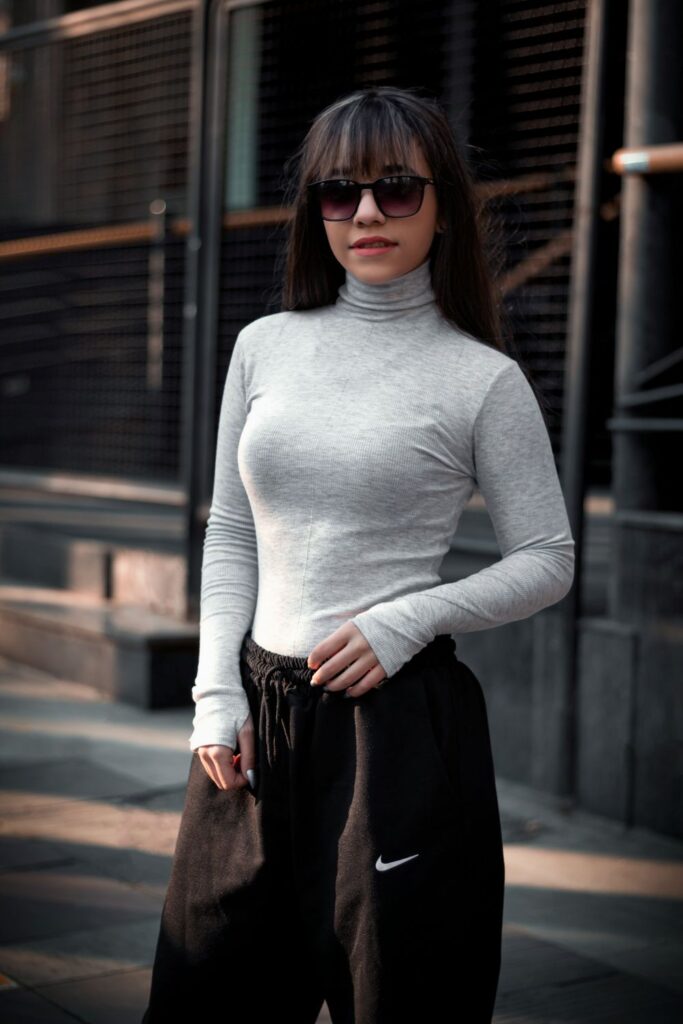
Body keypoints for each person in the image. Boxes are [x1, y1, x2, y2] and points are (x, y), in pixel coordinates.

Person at [141, 85, 575, 1024]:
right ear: (317, 211)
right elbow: (230, 529)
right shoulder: (263, 346)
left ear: (442, 207)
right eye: (340, 192)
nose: (367, 212)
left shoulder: (481, 379)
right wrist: (215, 694)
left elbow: (547, 557)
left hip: (395, 733)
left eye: (395, 189)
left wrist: (407, 617)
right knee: (201, 996)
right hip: (253, 724)